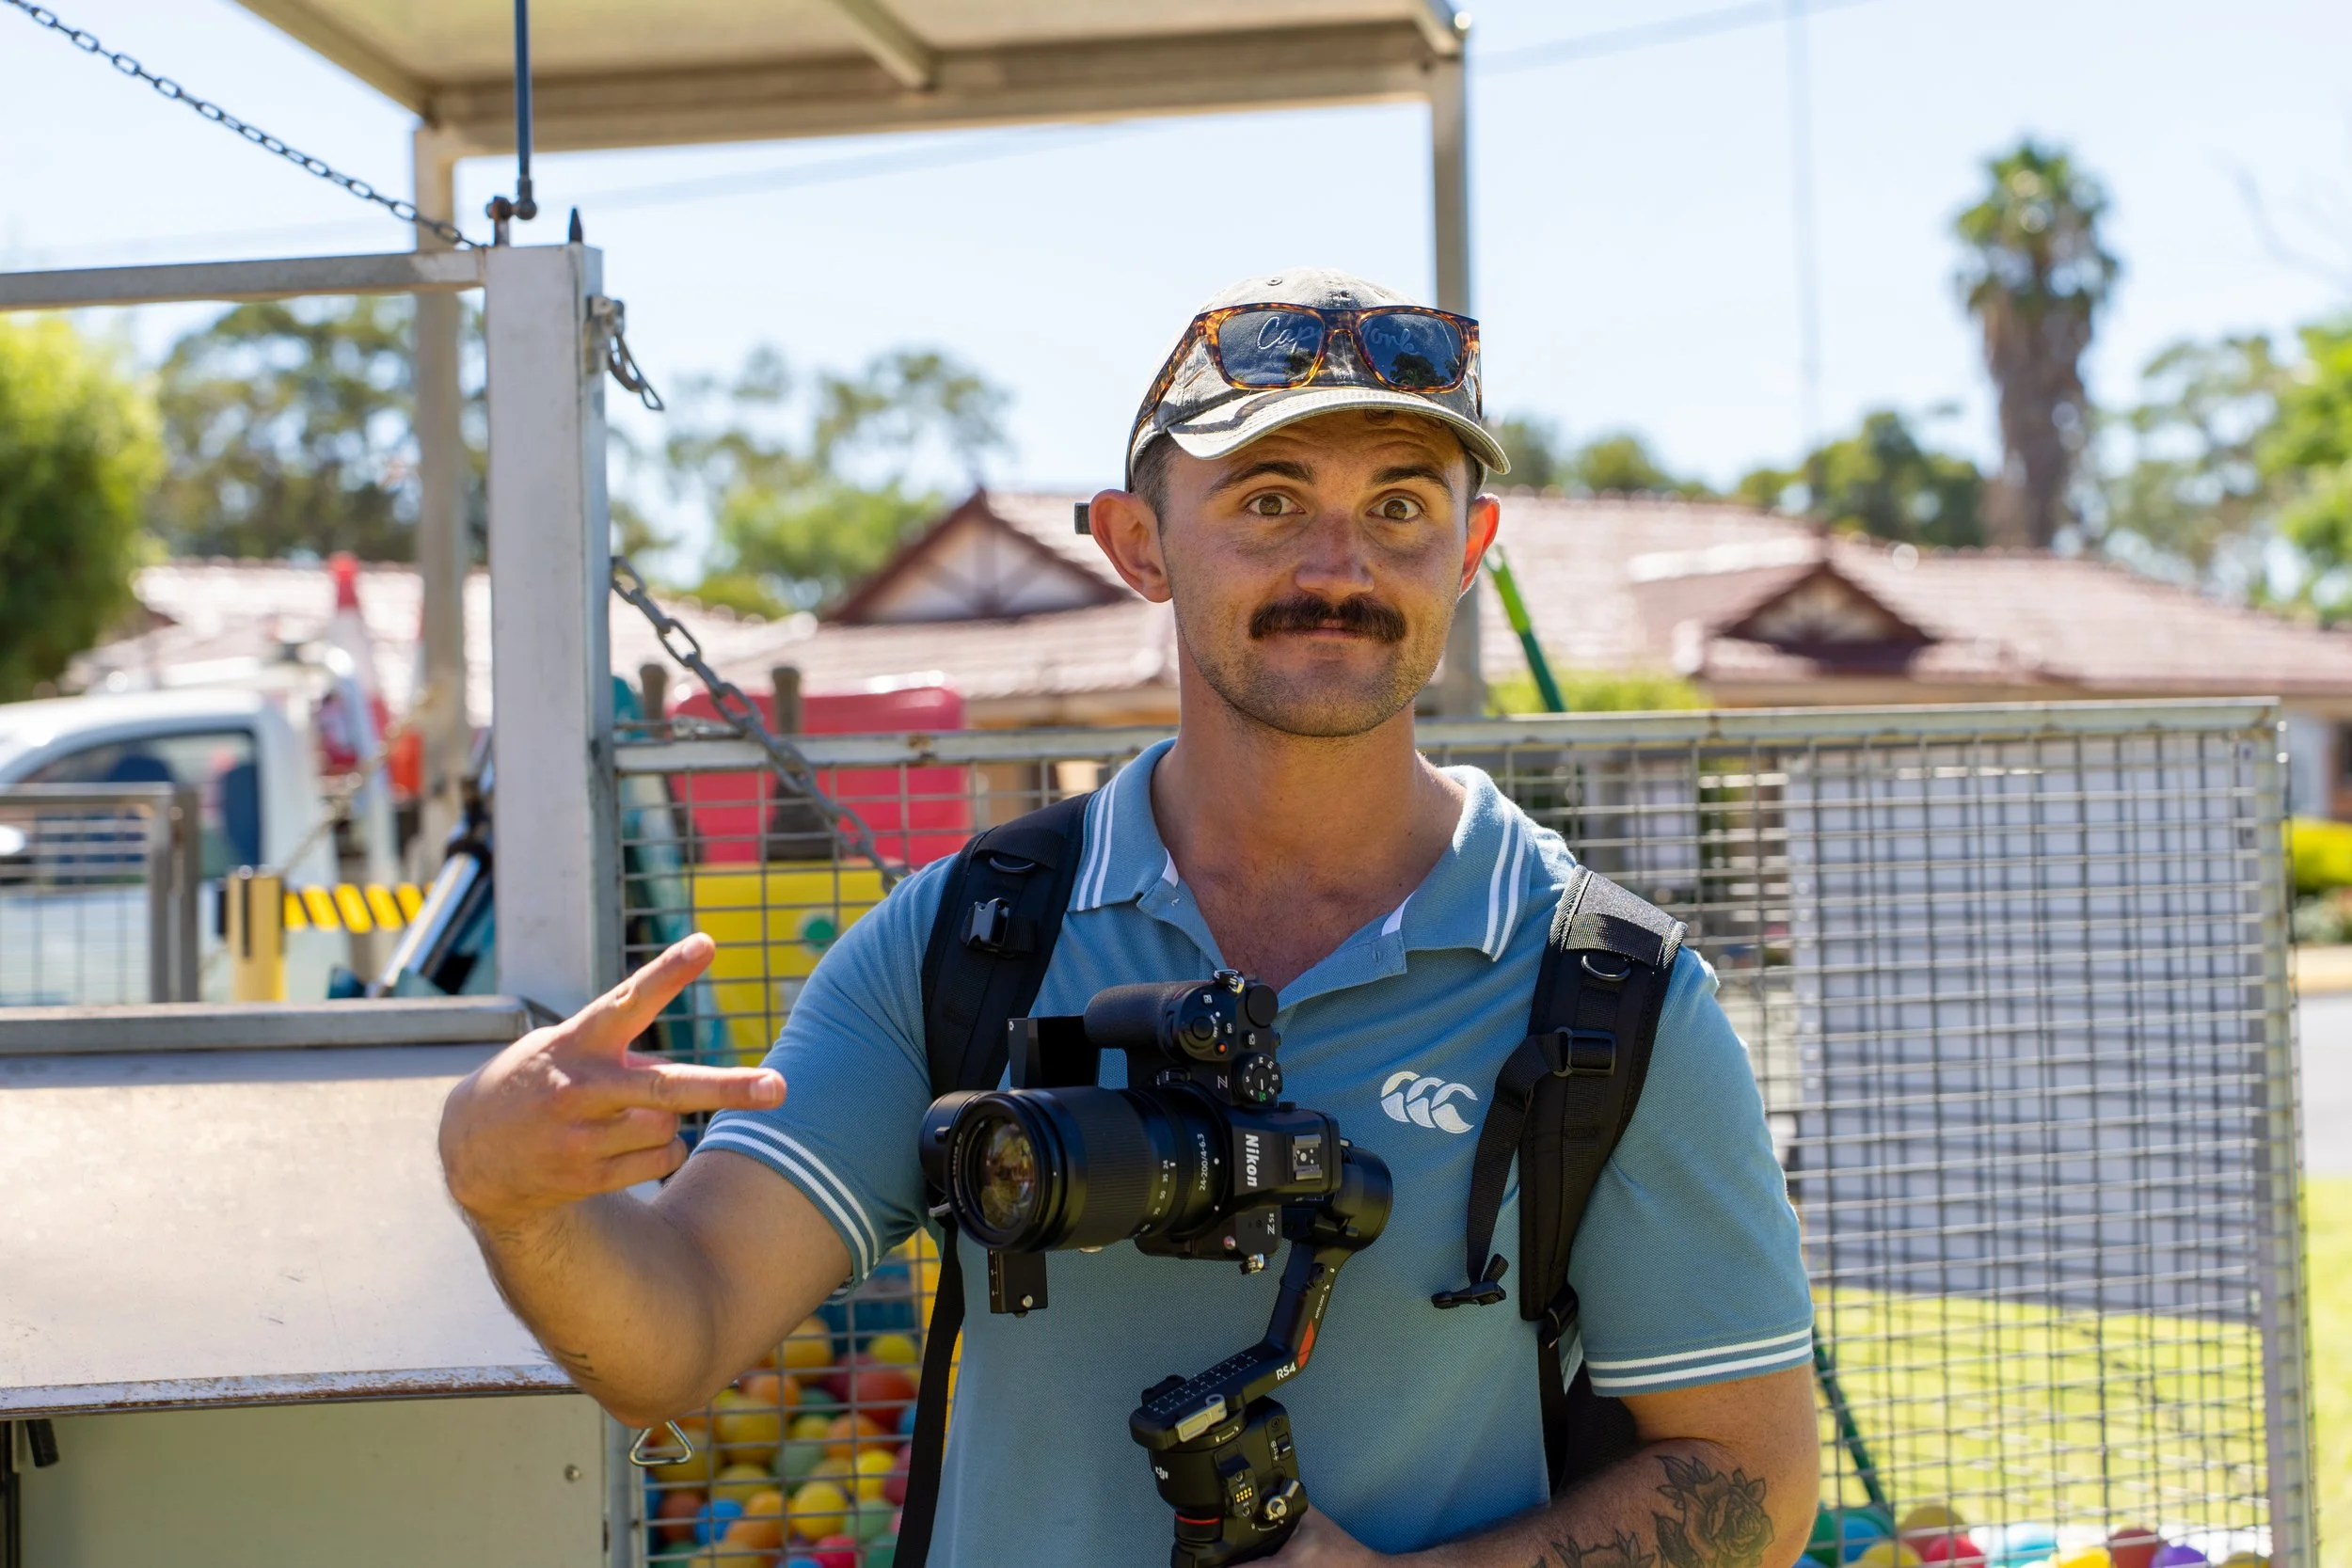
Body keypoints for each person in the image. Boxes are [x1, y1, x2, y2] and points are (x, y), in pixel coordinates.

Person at [439, 268, 1820, 1567]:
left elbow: (1750, 1477)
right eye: (1269, 501)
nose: (1339, 562)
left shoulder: (1608, 995)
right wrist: (515, 1201)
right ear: (1137, 543)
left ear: (1472, 549)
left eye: (1402, 505)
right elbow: (673, 1331)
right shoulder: (965, 944)